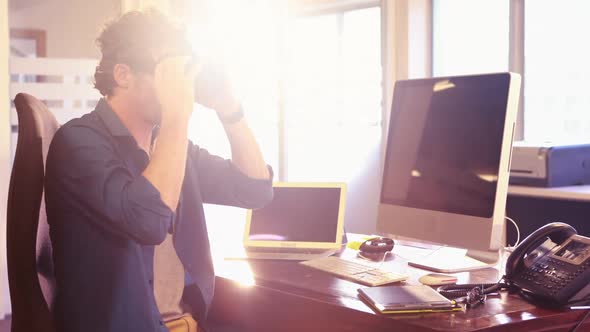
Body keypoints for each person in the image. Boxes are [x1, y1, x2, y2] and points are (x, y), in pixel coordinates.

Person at [45, 9, 273, 332]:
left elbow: (255, 189)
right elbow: (149, 220)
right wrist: (178, 114)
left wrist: (229, 107)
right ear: (123, 75)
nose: (181, 85)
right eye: (168, 71)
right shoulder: (78, 144)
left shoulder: (172, 148)